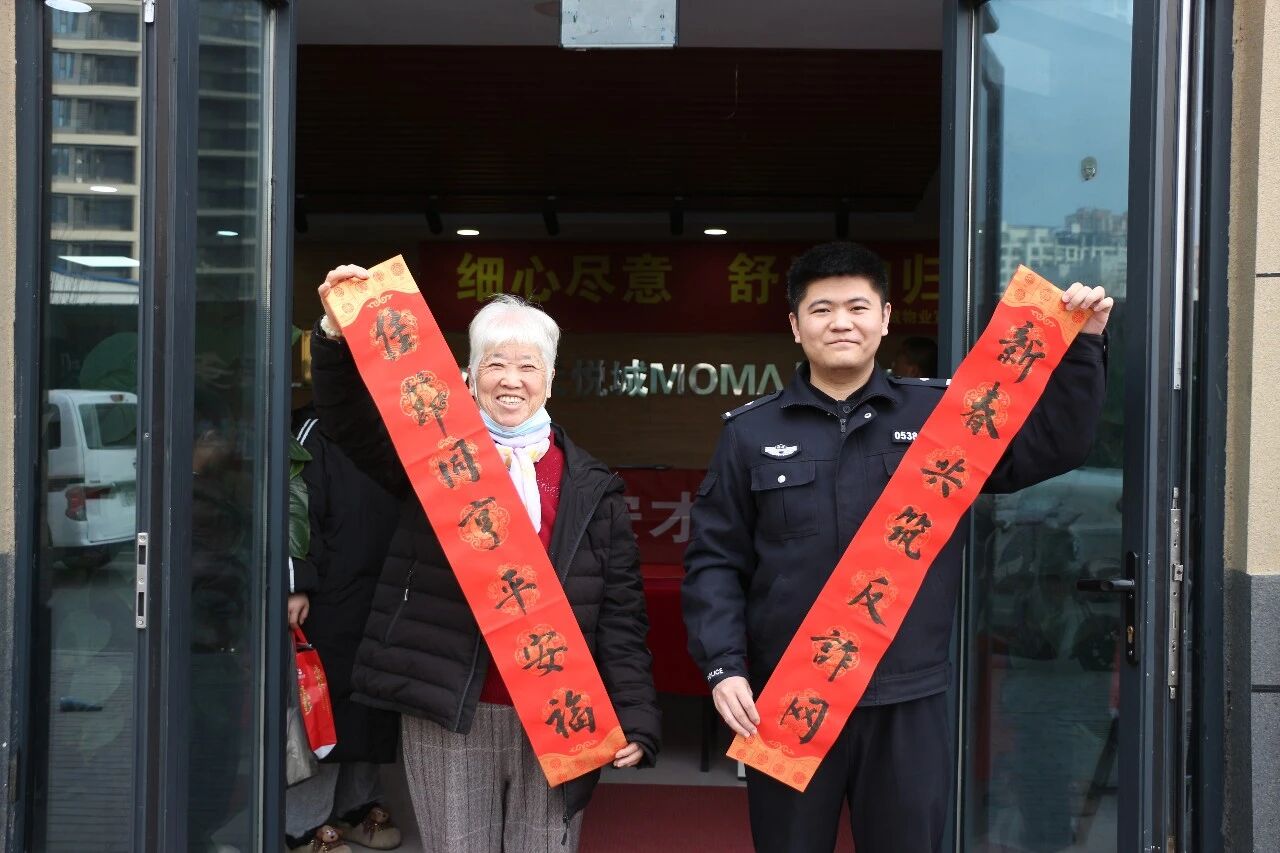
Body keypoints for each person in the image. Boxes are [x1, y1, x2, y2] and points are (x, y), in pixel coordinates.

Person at [681, 241, 1112, 853]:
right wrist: (725, 666)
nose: (841, 322)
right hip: (792, 694)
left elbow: (1053, 446)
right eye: (822, 309)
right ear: (795, 326)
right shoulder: (751, 432)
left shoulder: (942, 416)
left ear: (884, 319)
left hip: (908, 697)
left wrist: (1084, 346)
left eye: (857, 307)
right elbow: (715, 561)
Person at [309, 271, 661, 853]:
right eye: (495, 364)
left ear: (550, 379)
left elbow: (621, 615)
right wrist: (333, 333)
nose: (511, 380)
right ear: (469, 376)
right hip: (450, 705)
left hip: (556, 705)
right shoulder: (434, 460)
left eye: (528, 366)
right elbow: (347, 420)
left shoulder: (593, 487)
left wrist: (636, 714)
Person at [284, 407, 405, 853]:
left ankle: (357, 806)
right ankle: (303, 825)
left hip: (386, 587)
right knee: (322, 705)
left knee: (373, 701)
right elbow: (293, 503)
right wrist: (297, 581)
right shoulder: (316, 429)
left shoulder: (399, 422)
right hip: (327, 592)